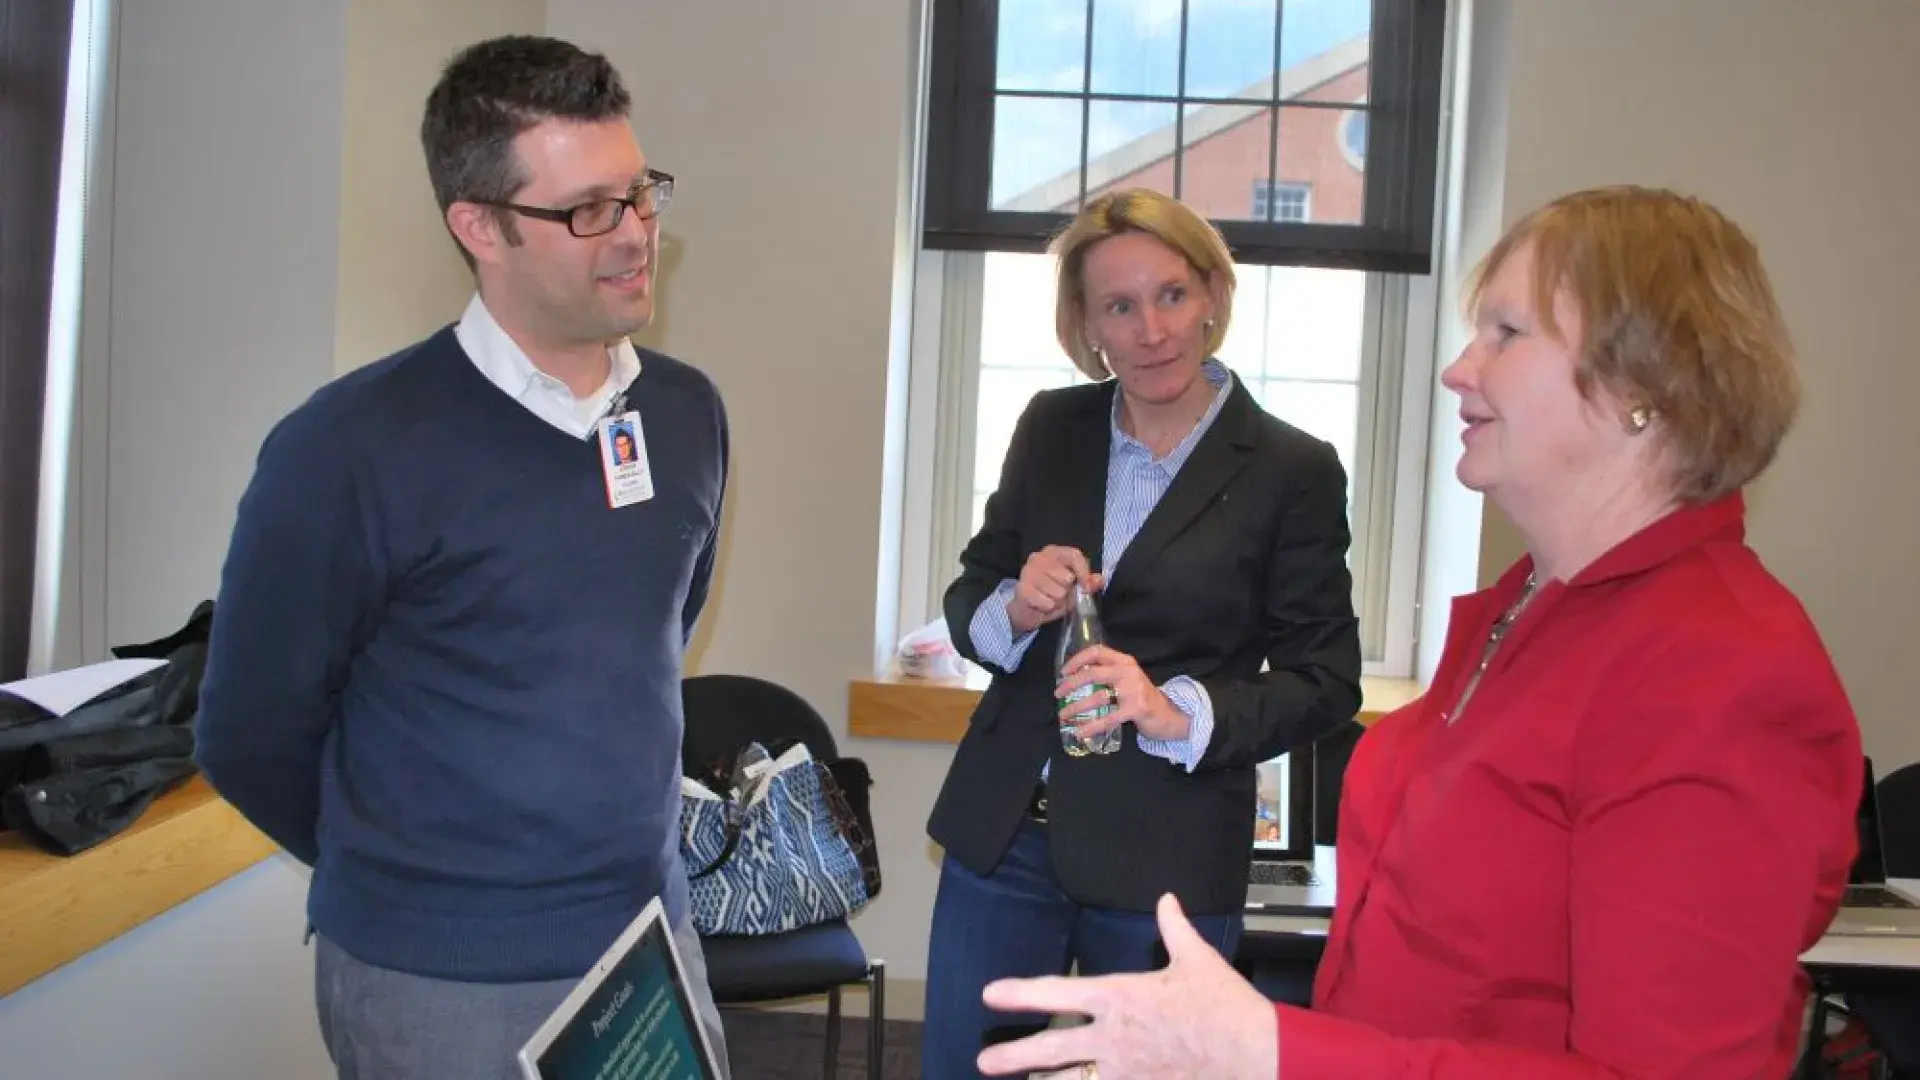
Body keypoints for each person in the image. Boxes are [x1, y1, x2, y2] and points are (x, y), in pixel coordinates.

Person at [969, 184, 1864, 1080]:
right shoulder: (1528, 613)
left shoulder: (1720, 674)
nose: (1459, 369)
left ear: (1642, 383)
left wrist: (1271, 1050)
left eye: (1506, 334)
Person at [194, 36, 731, 1080]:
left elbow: (652, 636)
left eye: (641, 194)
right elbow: (249, 732)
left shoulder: (685, 412)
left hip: (647, 943)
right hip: (441, 981)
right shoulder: (348, 448)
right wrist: (420, 876)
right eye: (588, 211)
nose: (635, 237)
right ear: (479, 226)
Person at [921, 187, 1363, 1078]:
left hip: (1168, 857)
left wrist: (1177, 712)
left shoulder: (1292, 468)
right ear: (1086, 325)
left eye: (1171, 295)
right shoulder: (1052, 425)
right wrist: (1016, 604)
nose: (1152, 329)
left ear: (1211, 297)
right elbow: (971, 595)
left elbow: (1326, 677)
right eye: (1119, 306)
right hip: (1005, 837)